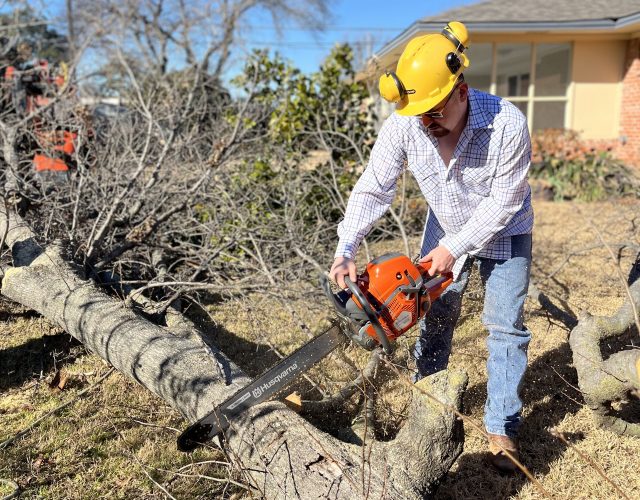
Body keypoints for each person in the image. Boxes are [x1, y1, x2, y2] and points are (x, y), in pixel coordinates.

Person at [328, 21, 533, 473]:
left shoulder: (507, 124)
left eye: (434, 112)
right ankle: (428, 407)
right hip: (446, 225)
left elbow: (504, 202)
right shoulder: (406, 124)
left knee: (505, 327)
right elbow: (373, 187)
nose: (426, 122)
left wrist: (454, 248)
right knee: (434, 318)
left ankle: (502, 429)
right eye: (418, 113)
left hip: (507, 228)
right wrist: (347, 245)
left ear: (461, 90)